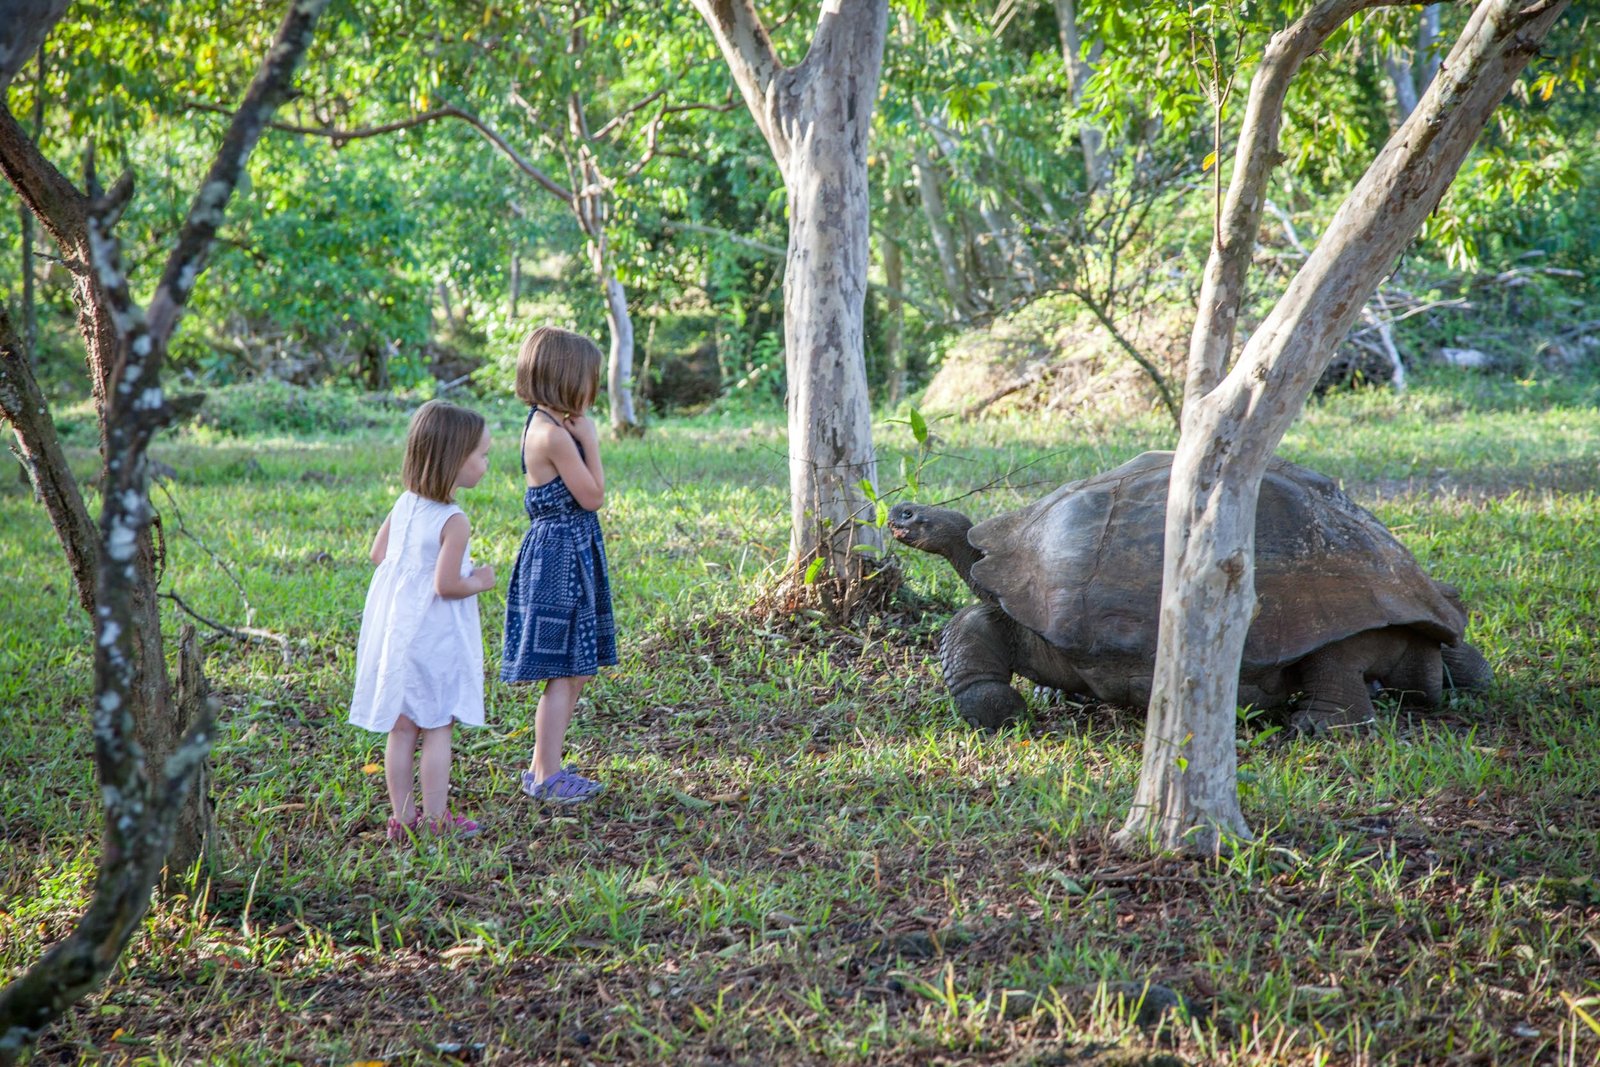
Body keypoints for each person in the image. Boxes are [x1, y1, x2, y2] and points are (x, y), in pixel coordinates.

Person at [349, 399, 496, 841]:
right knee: (437, 725)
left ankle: (402, 817)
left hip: (396, 633)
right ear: (455, 460)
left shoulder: (406, 503)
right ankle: (436, 820)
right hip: (433, 637)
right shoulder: (455, 520)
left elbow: (379, 555)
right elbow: (447, 585)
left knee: (402, 726)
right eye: (483, 455)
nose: (487, 463)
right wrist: (482, 580)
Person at [502, 326, 617, 804]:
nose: (593, 391)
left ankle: (541, 768)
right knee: (566, 670)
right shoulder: (554, 435)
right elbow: (592, 496)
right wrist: (591, 439)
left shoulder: (542, 423)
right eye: (590, 380)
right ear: (567, 380)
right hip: (560, 558)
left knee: (578, 668)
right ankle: (548, 774)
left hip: (568, 550)